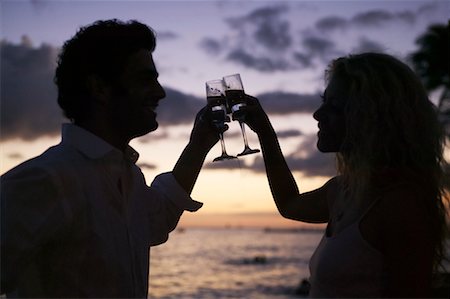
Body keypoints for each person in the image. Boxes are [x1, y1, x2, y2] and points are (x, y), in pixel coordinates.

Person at [1, 19, 220, 298]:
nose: (160, 92)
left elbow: (159, 216)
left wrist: (199, 144)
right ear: (100, 88)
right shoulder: (44, 180)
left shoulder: (127, 177)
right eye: (145, 78)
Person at [244, 52, 449, 297]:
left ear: (370, 118)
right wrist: (265, 132)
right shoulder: (342, 190)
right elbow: (289, 204)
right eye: (323, 102)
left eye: (334, 107)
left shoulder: (399, 205)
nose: (317, 114)